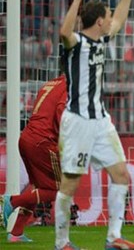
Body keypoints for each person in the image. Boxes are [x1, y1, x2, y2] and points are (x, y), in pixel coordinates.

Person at [55, 0, 134, 250]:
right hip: (78, 121)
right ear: (98, 21)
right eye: (107, 16)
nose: (110, 20)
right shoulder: (76, 42)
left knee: (121, 175)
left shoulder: (102, 40)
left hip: (101, 120)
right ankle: (62, 243)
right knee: (70, 183)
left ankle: (113, 238)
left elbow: (120, 19)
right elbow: (64, 31)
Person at [1, 74, 67, 243]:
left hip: (28, 137)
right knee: (58, 189)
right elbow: (61, 112)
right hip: (43, 141)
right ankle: (12, 201)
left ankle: (16, 234)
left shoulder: (52, 83)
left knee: (37, 187)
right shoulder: (70, 85)